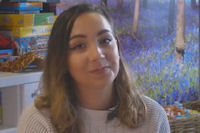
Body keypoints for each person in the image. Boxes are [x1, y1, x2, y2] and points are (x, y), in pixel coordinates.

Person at [17, 3, 170, 133]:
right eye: (80, 46)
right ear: (61, 60)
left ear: (117, 47)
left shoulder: (152, 116)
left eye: (105, 40)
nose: (97, 55)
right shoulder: (39, 121)